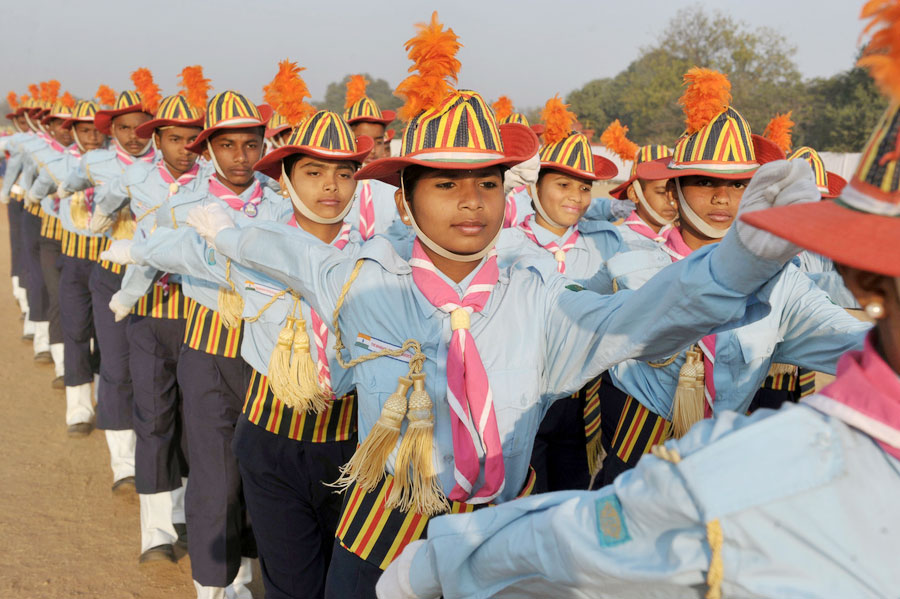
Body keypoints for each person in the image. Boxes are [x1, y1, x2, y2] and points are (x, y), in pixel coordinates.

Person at [182, 14, 822, 598]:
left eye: (488, 182)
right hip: (383, 533)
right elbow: (279, 252)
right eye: (446, 184)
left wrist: (743, 259)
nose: (472, 201)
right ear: (405, 201)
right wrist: (219, 231)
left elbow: (650, 314)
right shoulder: (362, 282)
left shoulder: (539, 302)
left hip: (497, 541)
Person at [376, 6, 900, 596]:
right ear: (672, 191)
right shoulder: (617, 256)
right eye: (706, 183)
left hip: (706, 455)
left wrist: (749, 266)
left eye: (737, 186)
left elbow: (848, 340)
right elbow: (619, 323)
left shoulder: (786, 288)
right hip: (628, 459)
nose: (725, 200)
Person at [104, 108, 373, 599]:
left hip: (349, 431)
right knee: (262, 536)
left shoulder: (375, 255)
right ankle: (212, 580)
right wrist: (137, 255)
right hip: (262, 409)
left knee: (347, 572)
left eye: (344, 172)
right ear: (288, 176)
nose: (330, 186)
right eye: (313, 172)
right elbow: (178, 249)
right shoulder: (245, 235)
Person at [108, 89, 279, 590]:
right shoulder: (183, 202)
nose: (242, 157)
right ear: (210, 149)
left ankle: (245, 573)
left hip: (270, 354)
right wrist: (127, 295)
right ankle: (213, 584)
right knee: (216, 476)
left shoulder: (280, 203)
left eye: (252, 145)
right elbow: (149, 251)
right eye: (228, 146)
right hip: (208, 348)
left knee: (258, 470)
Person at [93, 73, 215, 567]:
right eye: (175, 138)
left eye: (193, 138)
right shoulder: (135, 180)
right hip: (148, 313)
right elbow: (104, 213)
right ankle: (157, 530)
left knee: (197, 421)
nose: (186, 148)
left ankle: (188, 510)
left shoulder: (215, 184)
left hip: (201, 318)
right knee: (154, 416)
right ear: (156, 140)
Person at [59, 75, 156, 475]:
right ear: (110, 131)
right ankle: (123, 463)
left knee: (153, 373)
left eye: (140, 127)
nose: (133, 136)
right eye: (124, 128)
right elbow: (71, 199)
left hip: (162, 281)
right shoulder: (94, 162)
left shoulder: (168, 164)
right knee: (115, 364)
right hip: (112, 271)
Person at [599, 119, 676, 249]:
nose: (671, 201)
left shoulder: (682, 239)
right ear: (634, 193)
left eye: (675, 194)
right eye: (662, 192)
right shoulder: (615, 242)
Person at [342, 74, 399, 239]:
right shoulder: (341, 186)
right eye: (364, 142)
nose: (372, 150)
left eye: (379, 142)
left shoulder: (394, 187)